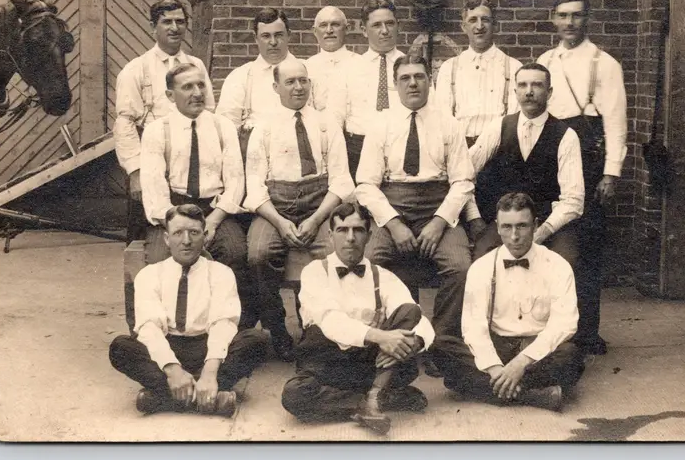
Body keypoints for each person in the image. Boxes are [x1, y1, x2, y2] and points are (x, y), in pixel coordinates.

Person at [282, 203, 434, 435]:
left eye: (358, 230)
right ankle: (373, 400)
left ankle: (373, 394)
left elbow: (418, 317)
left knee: (409, 311)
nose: (350, 238)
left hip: (372, 365)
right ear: (330, 235)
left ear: (369, 236)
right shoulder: (315, 272)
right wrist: (381, 336)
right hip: (328, 365)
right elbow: (330, 320)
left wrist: (416, 341)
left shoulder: (383, 276)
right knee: (295, 395)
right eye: (342, 230)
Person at [355, 54, 474, 343]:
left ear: (429, 81)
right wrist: (394, 224)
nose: (413, 84)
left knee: (460, 267)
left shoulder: (449, 124)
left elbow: (463, 181)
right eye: (405, 78)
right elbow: (366, 184)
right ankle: (390, 337)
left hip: (438, 208)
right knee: (369, 261)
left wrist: (439, 222)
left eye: (419, 77)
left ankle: (442, 340)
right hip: (392, 209)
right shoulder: (380, 124)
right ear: (395, 85)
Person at [109, 204, 267, 417]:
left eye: (194, 232)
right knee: (120, 347)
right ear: (167, 239)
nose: (186, 241)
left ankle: (164, 398)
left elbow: (222, 324)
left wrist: (210, 372)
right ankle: (209, 398)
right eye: (178, 233)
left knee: (255, 341)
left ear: (205, 235)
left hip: (206, 347)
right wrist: (173, 370)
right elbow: (150, 328)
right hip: (168, 345)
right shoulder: (150, 275)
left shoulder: (221, 273)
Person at [431, 193, 585, 410]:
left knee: (570, 357)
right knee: (440, 346)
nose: (514, 236)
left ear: (535, 225)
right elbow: (474, 327)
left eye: (522, 226)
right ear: (497, 227)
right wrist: (494, 367)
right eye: (507, 227)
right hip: (498, 346)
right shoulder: (482, 267)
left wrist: (521, 363)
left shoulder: (557, 265)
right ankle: (533, 396)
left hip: (538, 351)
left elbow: (564, 324)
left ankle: (487, 388)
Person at [244, 60, 354, 362]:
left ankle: (317, 330)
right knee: (258, 254)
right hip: (275, 207)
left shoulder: (326, 123)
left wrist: (317, 219)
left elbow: (342, 180)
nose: (298, 87)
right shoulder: (264, 127)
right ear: (276, 87)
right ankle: (277, 328)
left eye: (303, 81)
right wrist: (280, 223)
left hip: (320, 205)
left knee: (334, 253)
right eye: (290, 82)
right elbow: (254, 185)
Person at [537, 0, 628, 355]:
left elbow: (616, 121)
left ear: (586, 18)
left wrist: (611, 173)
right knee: (551, 243)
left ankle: (587, 332)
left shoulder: (604, 63)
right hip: (551, 157)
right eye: (563, 15)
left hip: (588, 159)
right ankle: (549, 329)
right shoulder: (545, 60)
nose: (569, 22)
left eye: (576, 15)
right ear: (553, 19)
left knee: (587, 248)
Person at [139, 63, 254, 328]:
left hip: (213, 211)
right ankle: (167, 329)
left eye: (201, 85)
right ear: (170, 95)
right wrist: (179, 226)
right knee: (159, 259)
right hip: (172, 211)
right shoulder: (158, 130)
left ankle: (228, 328)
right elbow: (154, 188)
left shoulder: (222, 127)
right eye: (187, 87)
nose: (197, 93)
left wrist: (213, 220)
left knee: (235, 253)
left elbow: (235, 181)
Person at [466, 63, 585, 280]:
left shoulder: (566, 136)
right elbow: (464, 174)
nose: (529, 91)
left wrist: (542, 232)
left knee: (564, 265)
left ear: (549, 92)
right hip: (506, 222)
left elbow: (574, 201)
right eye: (523, 85)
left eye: (537, 85)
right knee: (481, 264)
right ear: (515, 91)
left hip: (549, 223)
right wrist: (474, 217)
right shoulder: (499, 127)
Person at [114, 0, 215, 243]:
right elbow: (125, 123)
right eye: (166, 22)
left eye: (180, 21)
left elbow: (208, 111)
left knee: (193, 228)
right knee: (145, 236)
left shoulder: (196, 65)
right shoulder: (136, 69)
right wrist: (135, 173)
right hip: (151, 160)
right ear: (153, 26)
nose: (174, 28)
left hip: (190, 158)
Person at [331, 0, 405, 179]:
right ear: (364, 30)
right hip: (358, 148)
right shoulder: (349, 67)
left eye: (390, 23)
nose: (385, 31)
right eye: (376, 25)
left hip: (399, 147)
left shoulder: (410, 66)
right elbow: (335, 117)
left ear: (398, 26)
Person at [435, 0, 523, 146]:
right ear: (463, 27)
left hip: (499, 148)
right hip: (460, 148)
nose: (479, 26)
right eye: (472, 20)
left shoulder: (513, 67)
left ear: (494, 25)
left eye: (485, 20)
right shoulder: (449, 68)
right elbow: (443, 118)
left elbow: (515, 119)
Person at [217, 8, 300, 132]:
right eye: (266, 36)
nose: (273, 42)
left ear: (289, 35)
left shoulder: (309, 72)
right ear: (255, 38)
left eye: (279, 35)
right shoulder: (240, 77)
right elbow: (226, 128)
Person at [305, 6, 362, 113]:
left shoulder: (361, 64)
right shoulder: (307, 67)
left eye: (335, 24)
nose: (329, 30)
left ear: (347, 29)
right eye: (323, 25)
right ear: (315, 31)